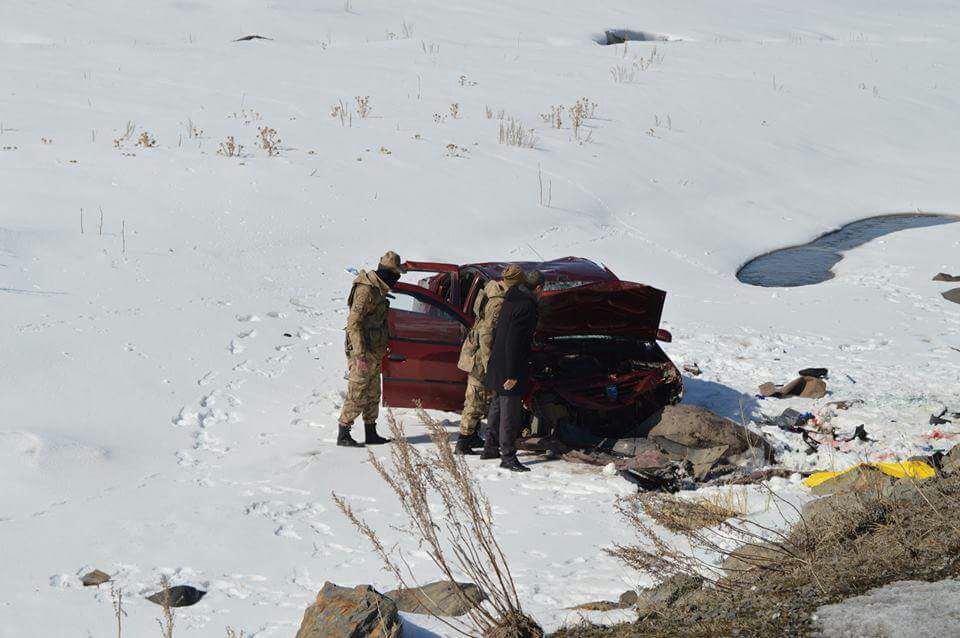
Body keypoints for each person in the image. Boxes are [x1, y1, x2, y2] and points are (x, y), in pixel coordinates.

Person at [336, 251, 406, 447]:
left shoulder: (379, 288)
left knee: (373, 392)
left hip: (374, 350)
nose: (397, 278)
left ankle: (371, 431)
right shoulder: (367, 290)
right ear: (388, 272)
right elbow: (353, 324)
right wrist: (358, 355)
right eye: (396, 274)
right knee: (357, 391)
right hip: (363, 351)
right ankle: (344, 432)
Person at [454, 265, 525, 455]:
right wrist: (489, 364)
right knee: (475, 398)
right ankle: (463, 442)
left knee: (481, 397)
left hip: (479, 350)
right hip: (480, 356)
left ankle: (472, 434)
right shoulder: (498, 301)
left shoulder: (492, 287)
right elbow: (487, 334)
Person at [482, 269, 546, 472]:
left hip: (497, 362)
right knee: (509, 413)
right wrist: (512, 374)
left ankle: (490, 448)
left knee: (496, 408)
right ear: (538, 288)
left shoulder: (511, 297)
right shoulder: (526, 306)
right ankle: (508, 457)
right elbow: (514, 342)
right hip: (509, 366)